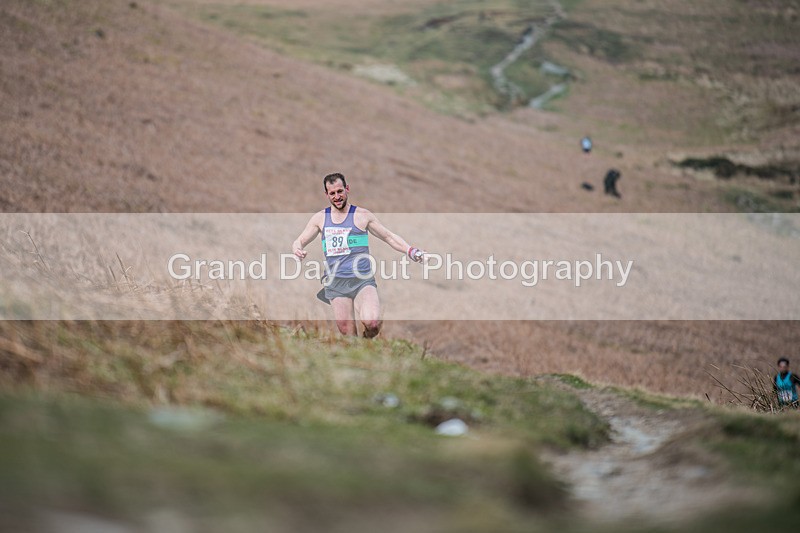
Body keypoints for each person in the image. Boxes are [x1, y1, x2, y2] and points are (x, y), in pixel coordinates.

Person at [292, 173, 425, 338]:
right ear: (326, 195)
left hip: (362, 280)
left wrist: (411, 251)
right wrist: (297, 249)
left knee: (372, 322)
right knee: (347, 333)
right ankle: (360, 356)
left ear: (347, 189)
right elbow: (300, 240)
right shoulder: (320, 219)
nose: (337, 197)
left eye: (340, 191)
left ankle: (368, 340)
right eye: (332, 193)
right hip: (336, 282)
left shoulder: (362, 216)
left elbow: (388, 236)